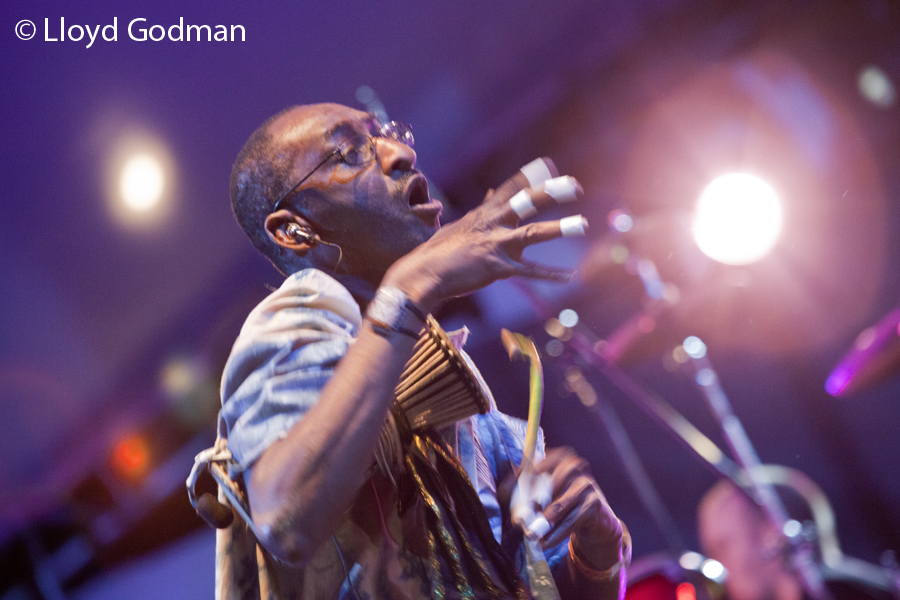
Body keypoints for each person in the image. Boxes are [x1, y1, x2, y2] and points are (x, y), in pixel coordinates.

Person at [205, 102, 629, 600]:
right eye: (350, 152)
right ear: (295, 230)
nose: (401, 151)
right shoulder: (298, 315)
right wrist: (407, 288)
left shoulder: (444, 376)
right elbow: (285, 518)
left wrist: (599, 550)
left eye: (386, 133)